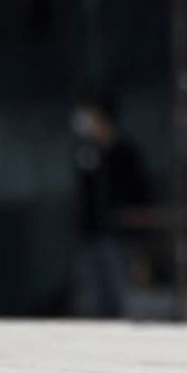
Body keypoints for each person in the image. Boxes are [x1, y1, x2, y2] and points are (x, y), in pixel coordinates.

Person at [71, 89, 150, 318]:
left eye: (89, 116)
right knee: (94, 298)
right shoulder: (86, 152)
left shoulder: (124, 153)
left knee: (120, 295)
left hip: (116, 236)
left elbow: (140, 192)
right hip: (89, 233)